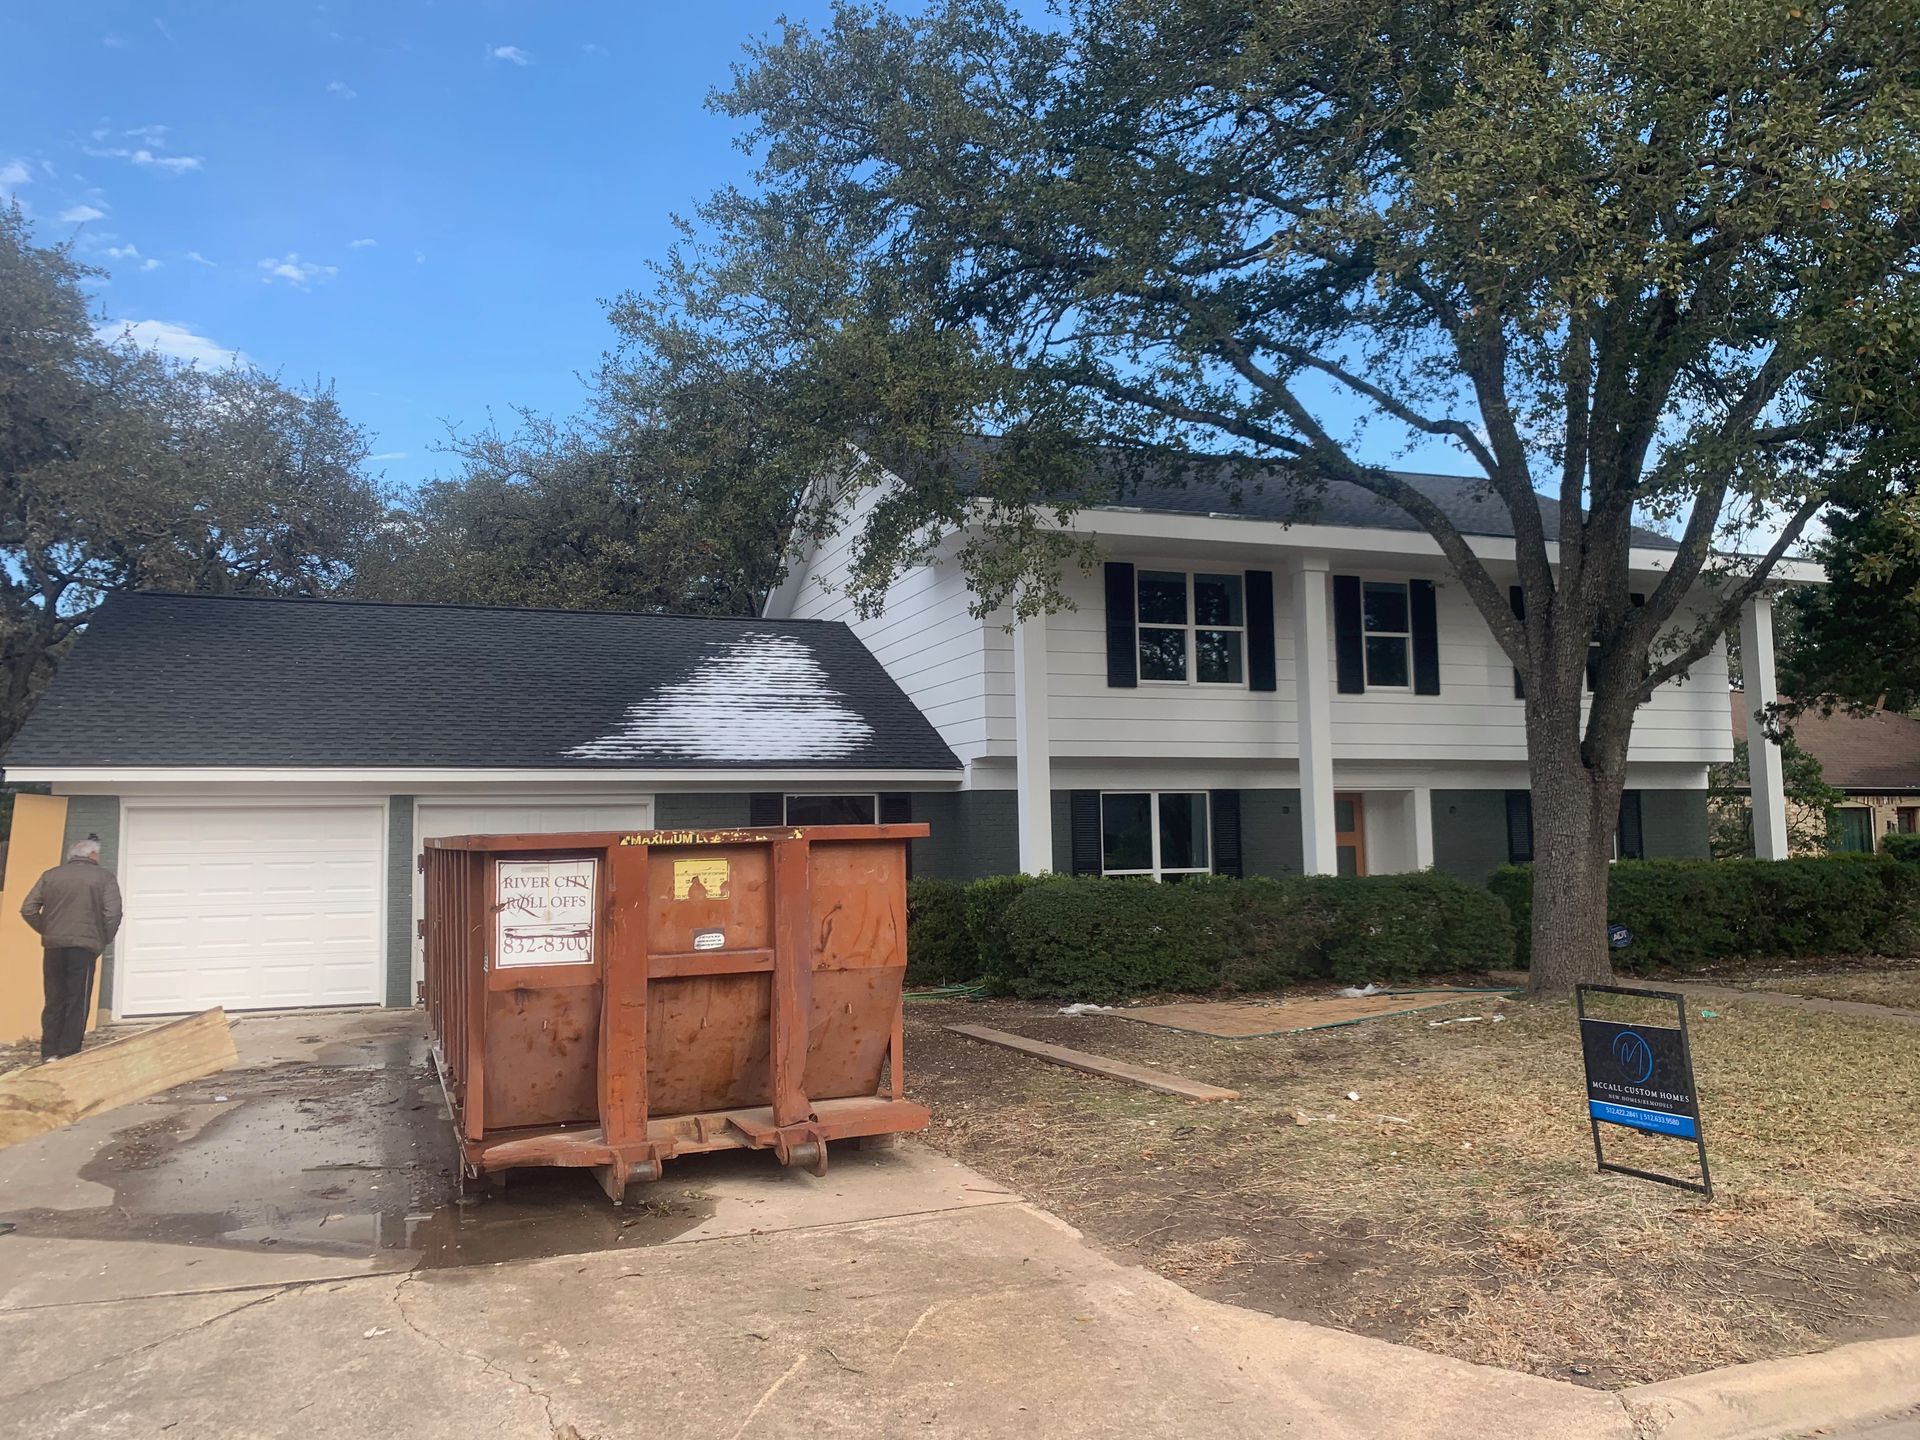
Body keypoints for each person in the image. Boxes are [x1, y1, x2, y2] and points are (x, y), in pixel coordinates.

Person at [19, 836, 123, 1062]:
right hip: (84, 947)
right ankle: (69, 1052)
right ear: (92, 855)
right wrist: (102, 939)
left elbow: (28, 909)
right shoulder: (104, 878)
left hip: (54, 946)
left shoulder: (51, 875)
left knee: (54, 997)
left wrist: (48, 930)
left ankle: (49, 1052)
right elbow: (113, 914)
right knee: (77, 999)